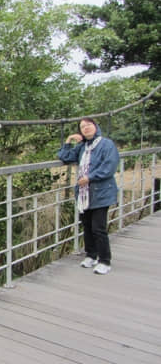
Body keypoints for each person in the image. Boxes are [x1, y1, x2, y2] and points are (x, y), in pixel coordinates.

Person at [57, 117, 119, 275]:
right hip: (84, 194)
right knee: (87, 226)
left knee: (98, 228)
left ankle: (105, 260)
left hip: (101, 192)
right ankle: (91, 255)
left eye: (88, 125)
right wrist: (69, 140)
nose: (85, 128)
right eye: (82, 127)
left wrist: (90, 177)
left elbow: (110, 166)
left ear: (96, 126)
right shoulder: (82, 147)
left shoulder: (106, 144)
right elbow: (64, 156)